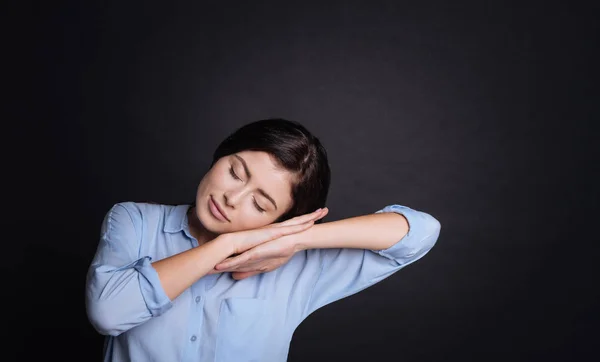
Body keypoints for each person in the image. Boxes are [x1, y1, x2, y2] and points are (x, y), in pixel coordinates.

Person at [85, 118, 442, 362]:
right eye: (235, 172)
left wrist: (297, 239)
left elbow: (420, 232)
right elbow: (108, 312)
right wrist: (224, 245)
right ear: (220, 154)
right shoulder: (134, 220)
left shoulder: (297, 267)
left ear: (280, 219)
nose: (232, 198)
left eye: (260, 204)